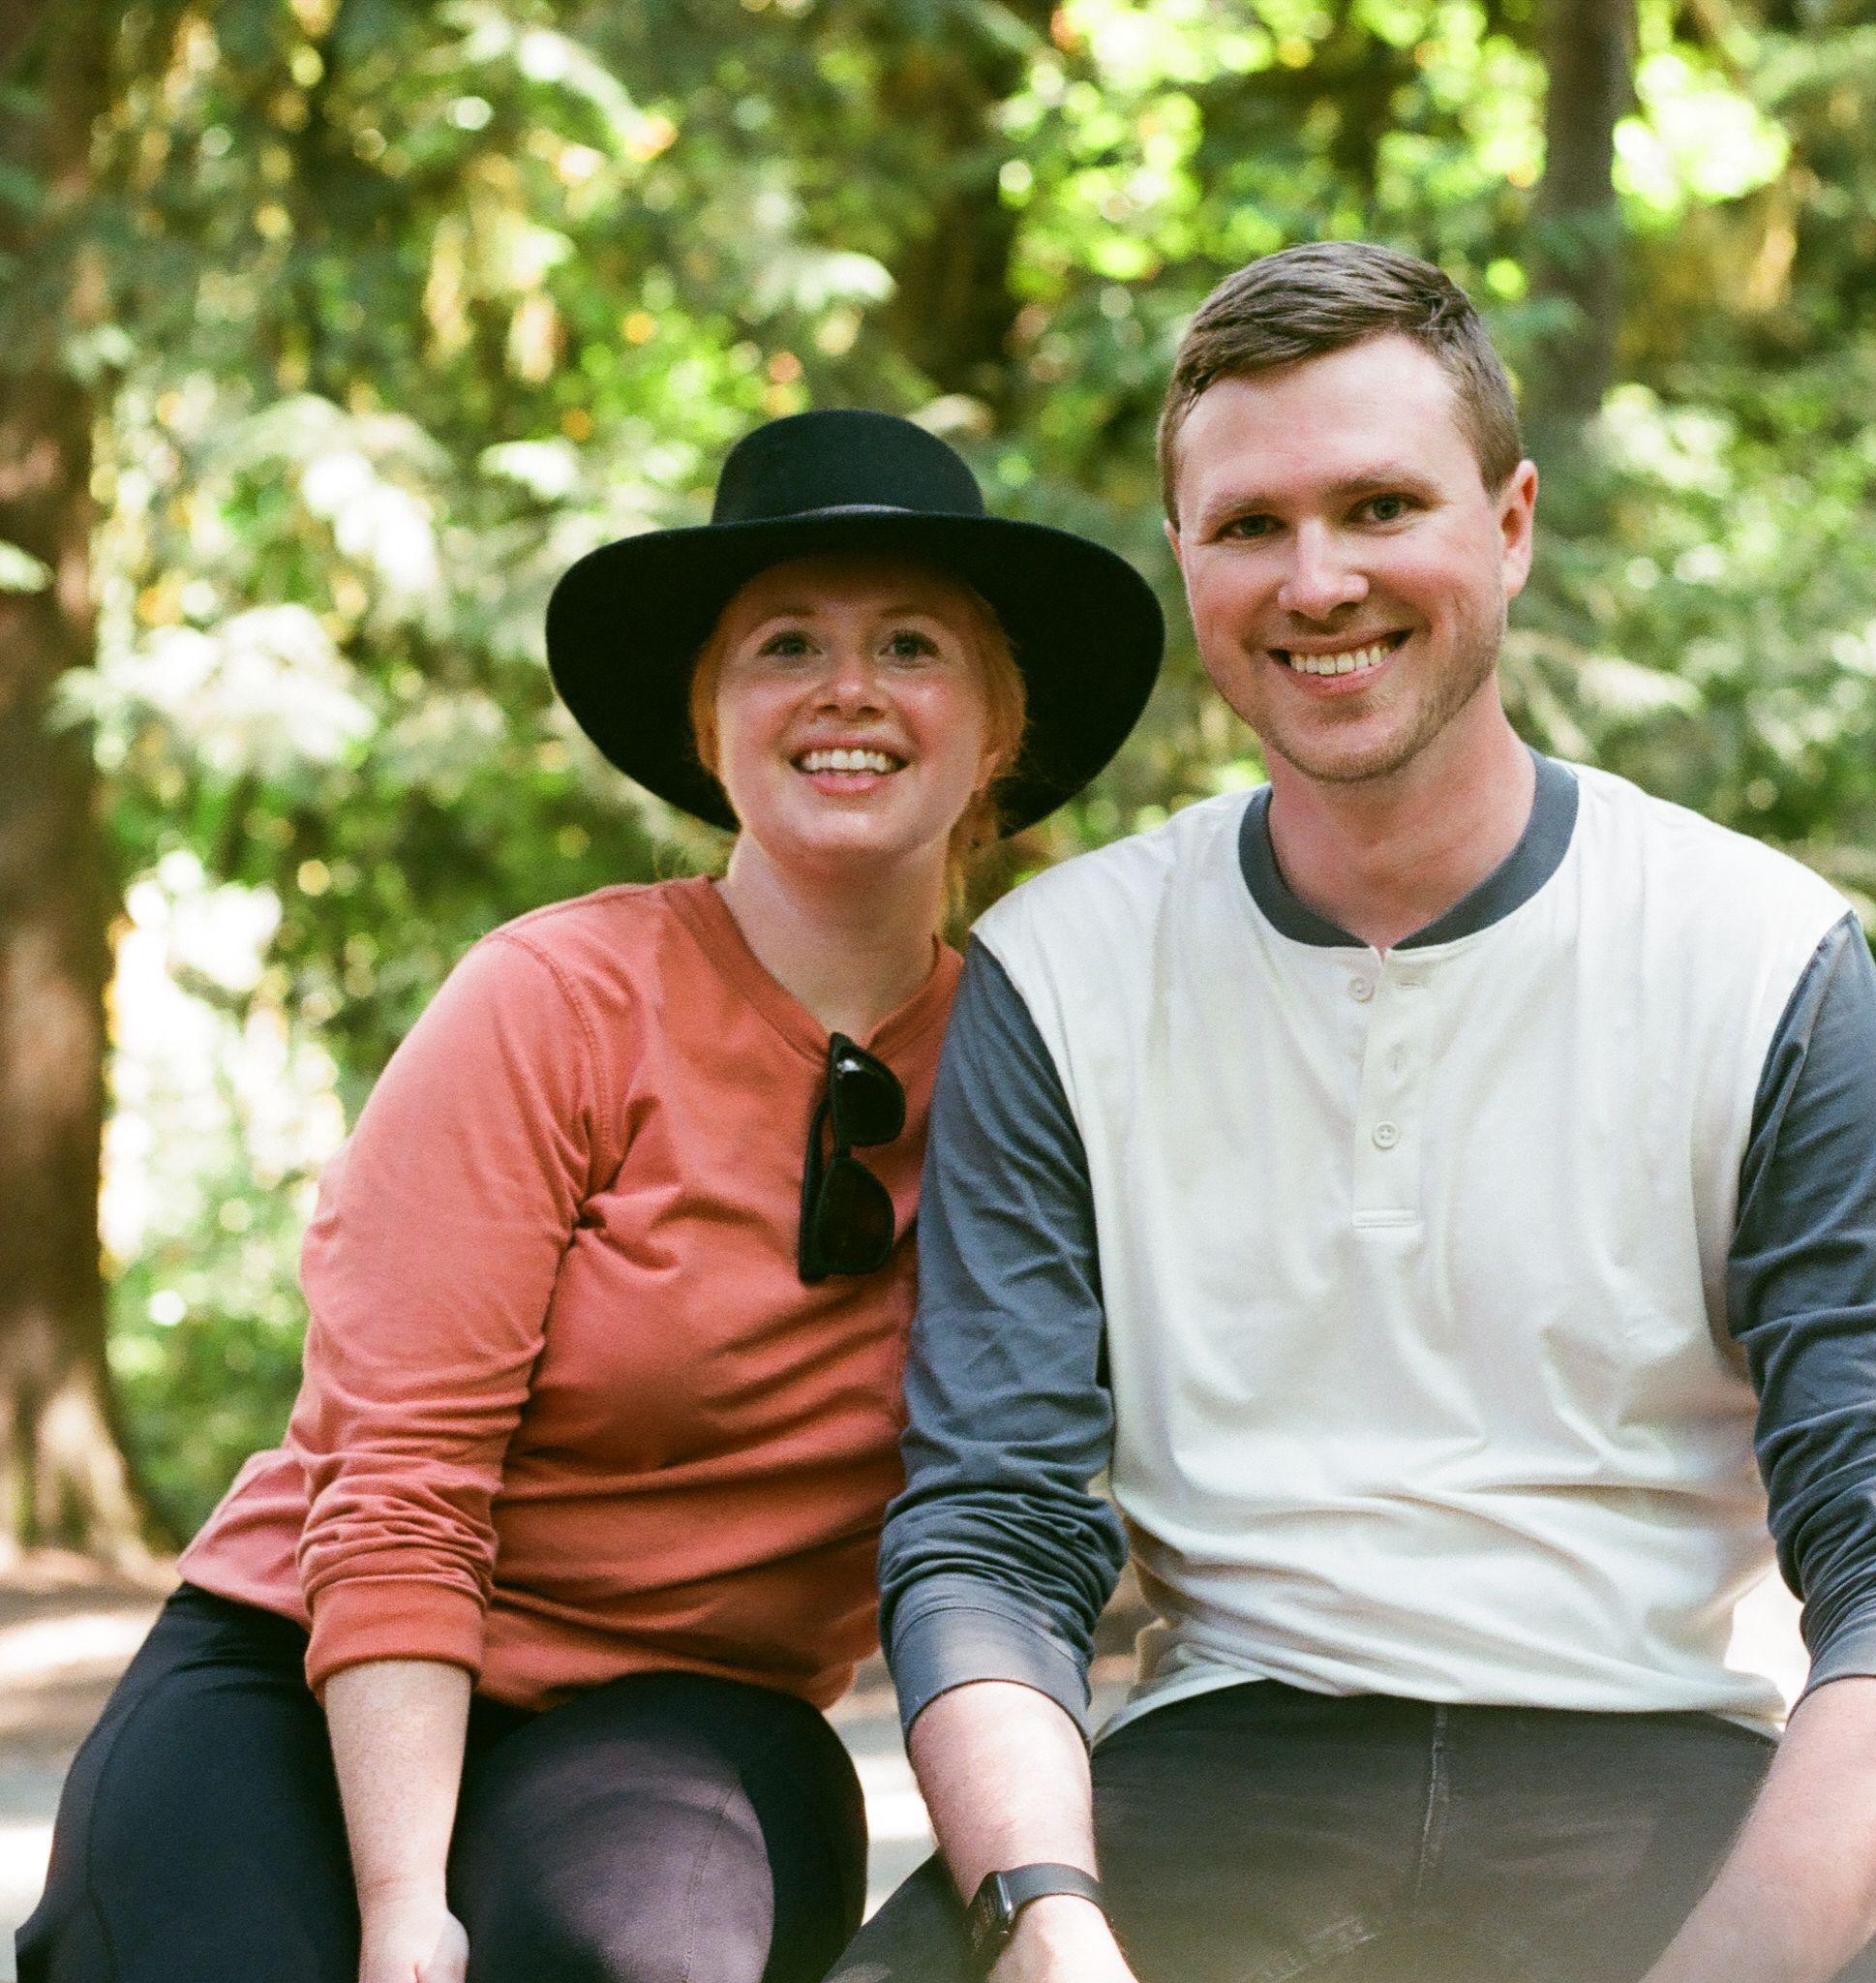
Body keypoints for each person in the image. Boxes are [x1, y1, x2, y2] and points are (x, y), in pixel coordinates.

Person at [827, 245, 1876, 1983]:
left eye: (1381, 505)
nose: (1320, 582)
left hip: (1661, 1770)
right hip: (1220, 1771)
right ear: (1188, 560)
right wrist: (1046, 1917)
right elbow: (993, 1525)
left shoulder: (1762, 955)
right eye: (1252, 525)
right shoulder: (1059, 972)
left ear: (1509, 525)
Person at [15, 409, 1164, 1983]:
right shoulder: (553, 1000)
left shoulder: (1035, 1068)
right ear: (710, 721)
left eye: (912, 646)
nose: (846, 688)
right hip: (317, 1669)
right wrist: (404, 1908)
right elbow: (403, 1473)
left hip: (688, 1720)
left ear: (996, 729)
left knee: (633, 1957)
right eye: (784, 646)